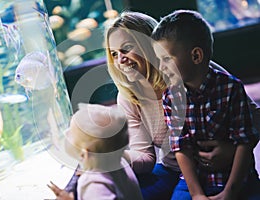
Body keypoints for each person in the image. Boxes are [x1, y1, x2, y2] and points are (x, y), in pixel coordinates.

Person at [105, 10, 260, 200]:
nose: (120, 59)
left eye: (126, 48)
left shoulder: (196, 71)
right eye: (114, 54)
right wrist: (115, 156)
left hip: (217, 167)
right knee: (130, 194)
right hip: (174, 169)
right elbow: (146, 157)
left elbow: (254, 116)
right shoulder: (128, 97)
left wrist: (231, 150)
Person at [151, 9, 260, 200]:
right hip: (195, 181)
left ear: (196, 56)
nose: (161, 67)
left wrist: (229, 193)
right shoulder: (171, 97)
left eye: (166, 59)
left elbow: (245, 142)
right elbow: (180, 147)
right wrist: (197, 194)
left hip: (237, 179)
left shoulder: (231, 88)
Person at [48, 103, 143, 200]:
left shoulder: (94, 186)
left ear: (84, 155)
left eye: (71, 133)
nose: (66, 132)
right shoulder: (120, 163)